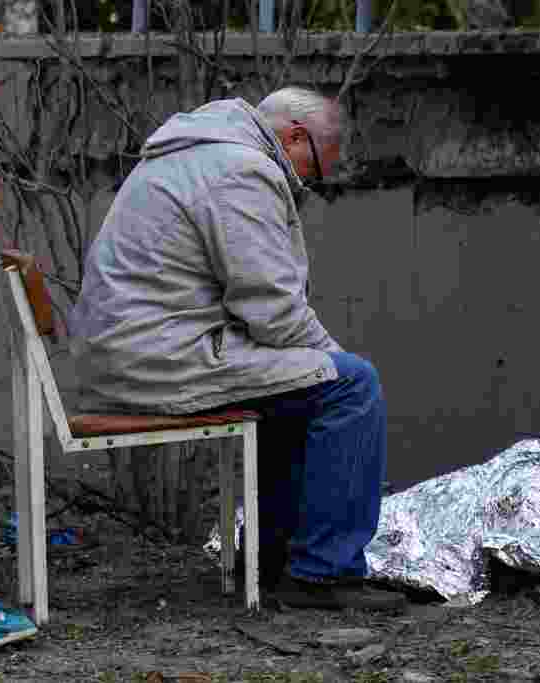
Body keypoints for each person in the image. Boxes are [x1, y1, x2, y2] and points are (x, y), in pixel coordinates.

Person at [69, 87, 406, 611]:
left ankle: (270, 559)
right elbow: (271, 307)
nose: (308, 183)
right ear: (295, 136)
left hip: (137, 350)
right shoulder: (240, 170)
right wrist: (333, 362)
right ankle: (322, 574)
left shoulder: (196, 151)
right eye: (313, 169)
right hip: (157, 357)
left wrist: (316, 365)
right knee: (351, 387)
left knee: (301, 386)